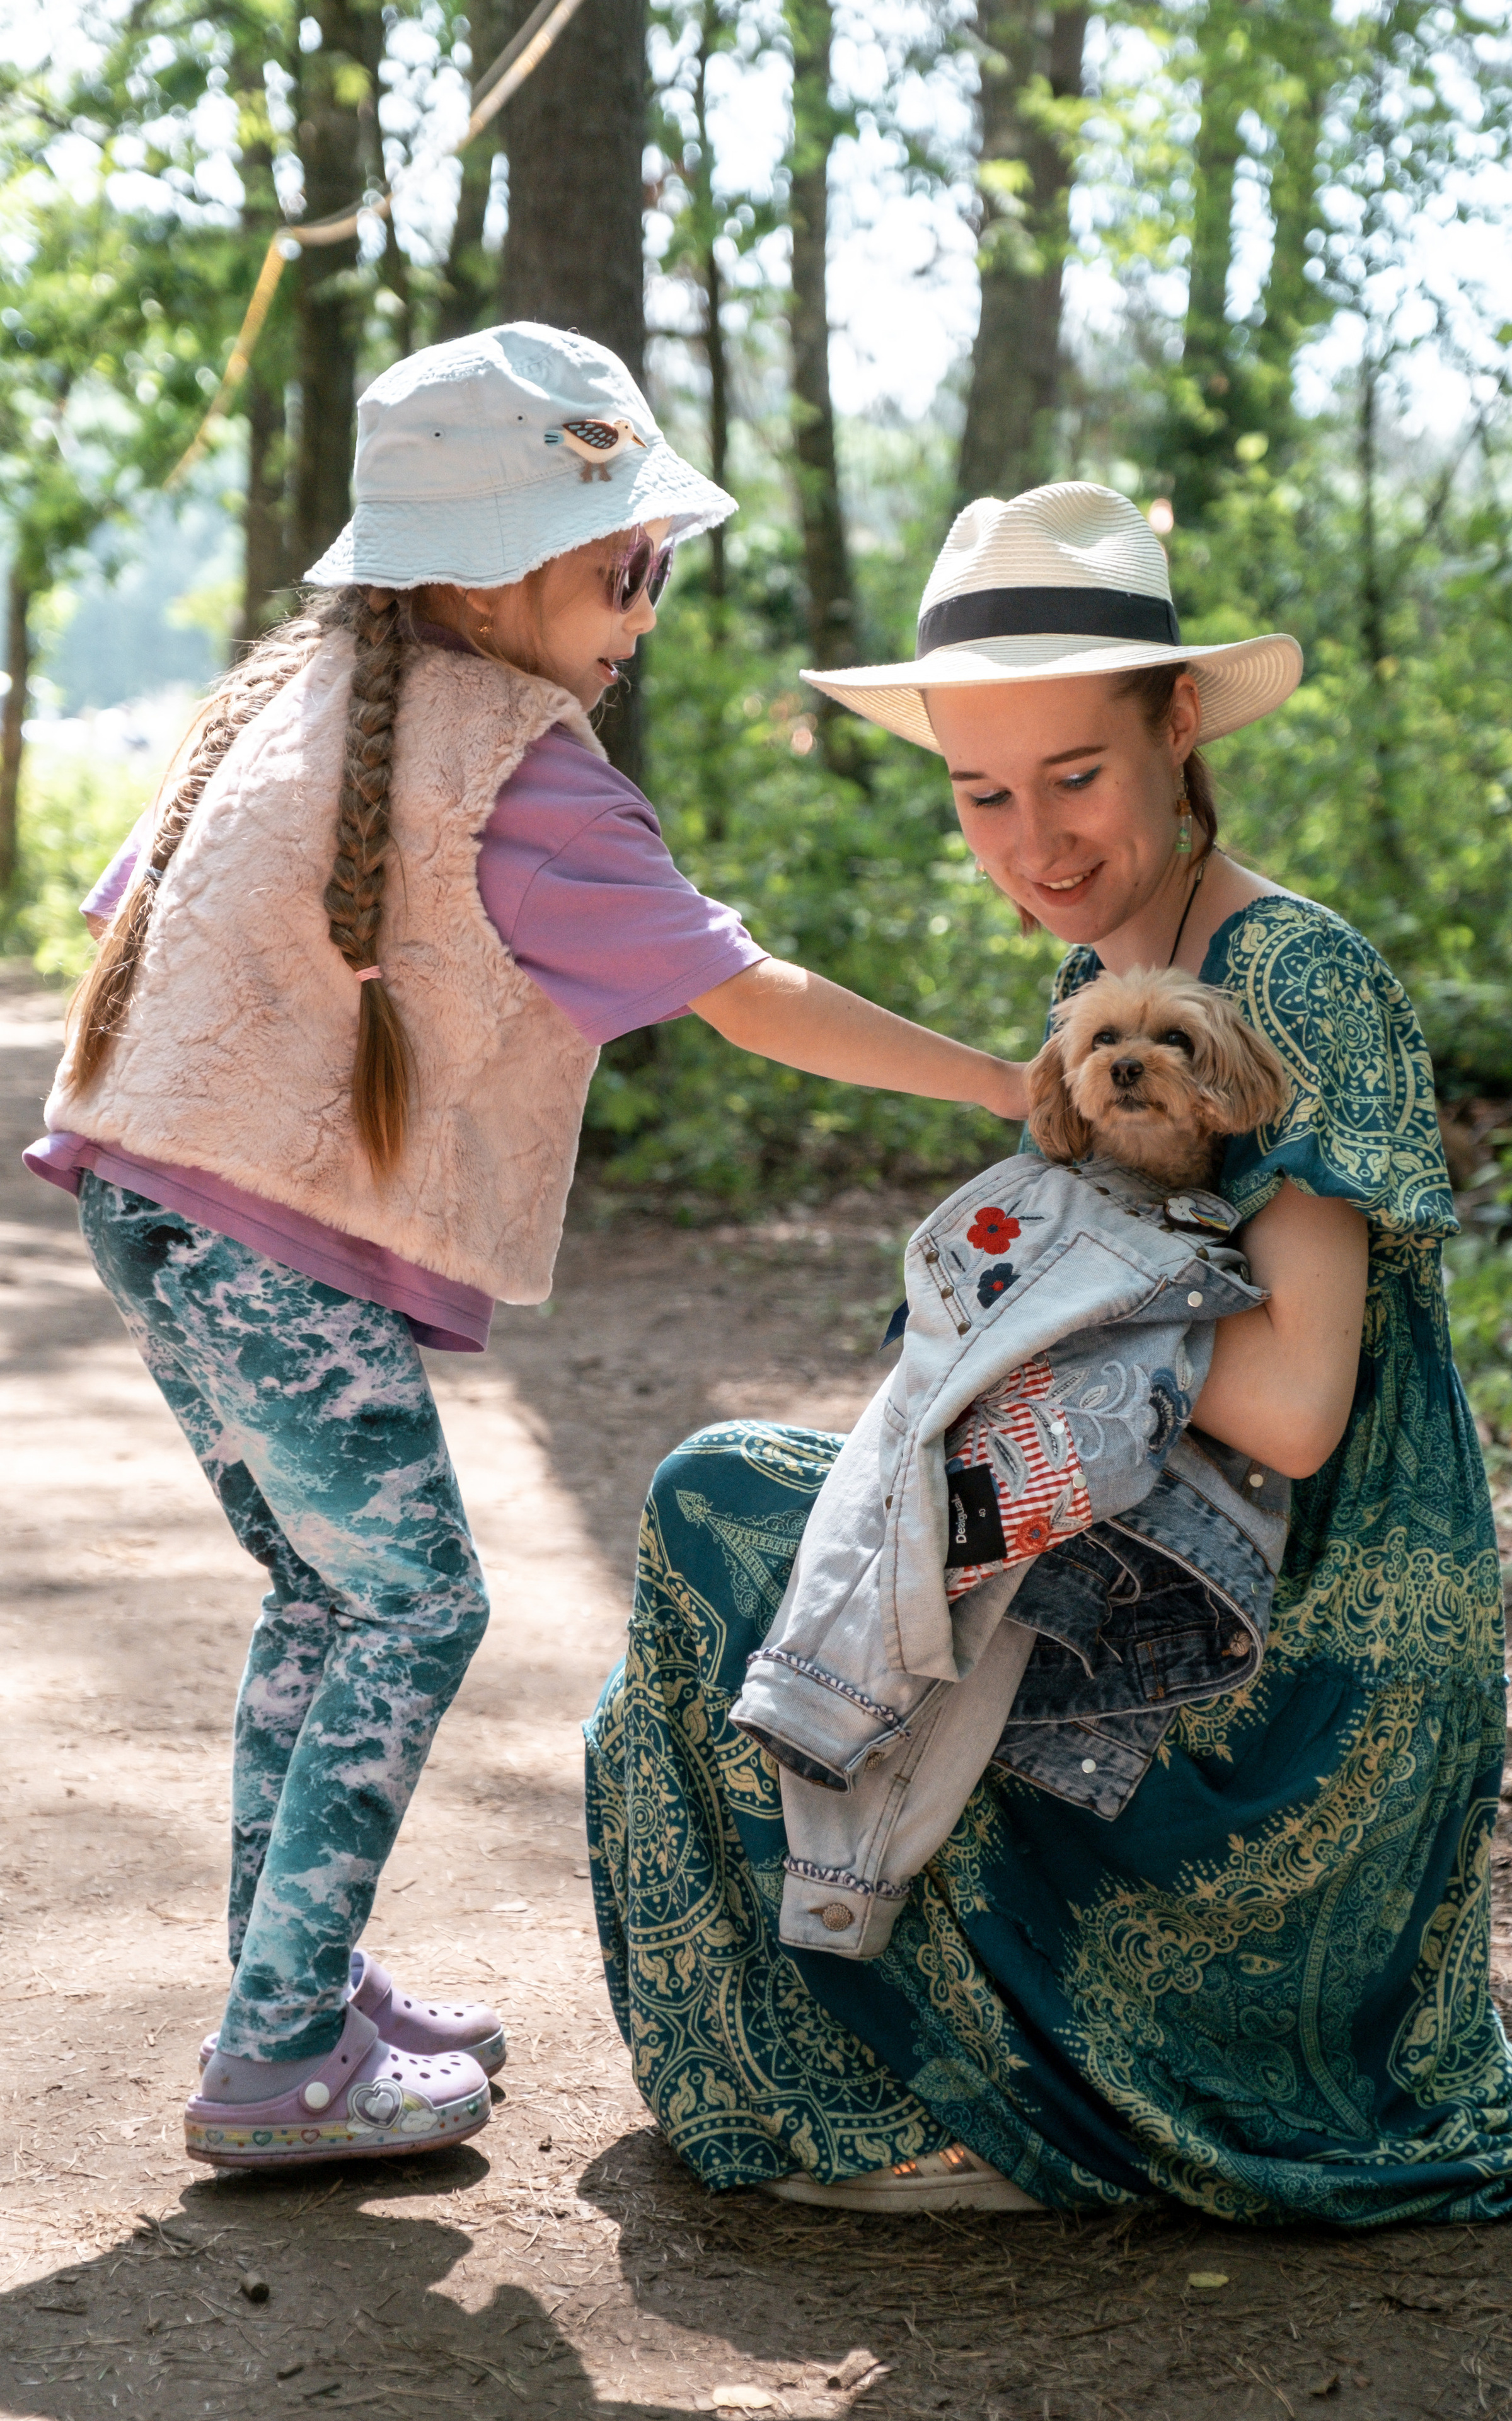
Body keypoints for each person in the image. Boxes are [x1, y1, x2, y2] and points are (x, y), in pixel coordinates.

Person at [24, 325, 1027, 2173]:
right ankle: (271, 2064)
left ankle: (296, 1990)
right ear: (494, 574)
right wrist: (1005, 1085)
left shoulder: (281, 693)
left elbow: (143, 927)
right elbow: (745, 996)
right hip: (273, 1255)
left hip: (145, 1210)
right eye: (624, 559)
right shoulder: (518, 772)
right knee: (416, 1601)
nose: (648, 599)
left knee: (328, 1601)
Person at [585, 480, 1512, 2221]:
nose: (1035, 838)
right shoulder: (1105, 957)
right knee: (735, 1563)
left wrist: (1044, 1354)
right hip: (1147, 1526)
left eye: (1075, 775)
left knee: (733, 1521)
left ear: (1181, 722)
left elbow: (1290, 1412)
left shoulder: (1291, 976)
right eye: (985, 793)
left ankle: (974, 2099)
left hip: (1299, 1644)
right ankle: (872, 2075)